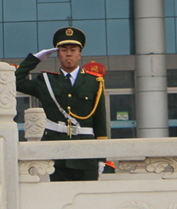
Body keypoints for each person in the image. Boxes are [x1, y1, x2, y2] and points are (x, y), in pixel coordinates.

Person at [14, 26, 107, 182]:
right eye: (63, 50)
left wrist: (101, 157)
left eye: (73, 49)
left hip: (85, 151)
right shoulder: (46, 81)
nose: (68, 53)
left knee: (87, 201)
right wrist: (35, 59)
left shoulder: (94, 81)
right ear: (58, 54)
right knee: (57, 201)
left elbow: (100, 121)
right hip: (55, 150)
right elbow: (16, 82)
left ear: (80, 53)